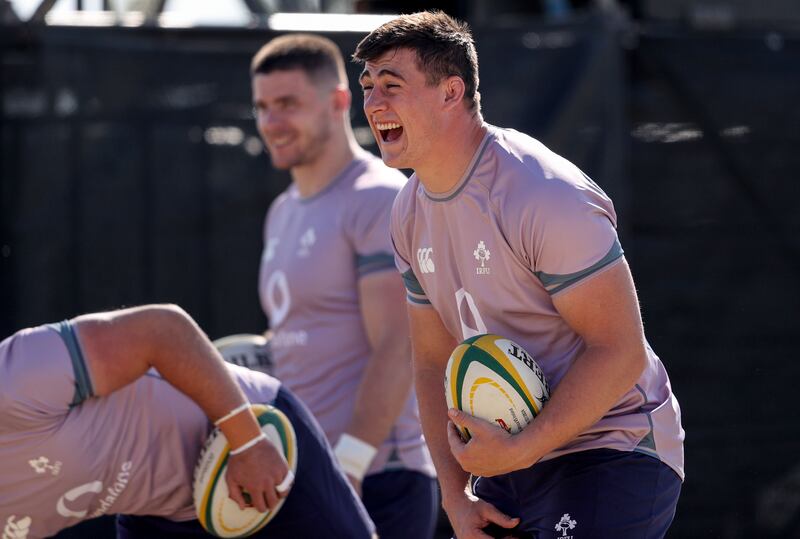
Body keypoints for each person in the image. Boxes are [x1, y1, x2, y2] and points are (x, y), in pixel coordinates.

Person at [353, 11, 685, 539]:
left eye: (391, 85)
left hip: (611, 447)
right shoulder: (407, 212)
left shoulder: (541, 193)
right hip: (506, 455)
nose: (372, 103)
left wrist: (522, 448)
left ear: (451, 92)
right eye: (367, 87)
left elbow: (620, 352)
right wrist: (456, 495)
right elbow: (432, 362)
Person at [251, 34, 438, 539]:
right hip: (308, 478)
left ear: (337, 102)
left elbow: (401, 343)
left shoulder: (377, 196)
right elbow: (304, 329)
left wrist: (349, 466)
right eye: (262, 107)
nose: (271, 122)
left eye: (287, 104)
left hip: (376, 480)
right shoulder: (281, 211)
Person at [0, 304, 374, 539]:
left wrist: (247, 442)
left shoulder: (13, 380)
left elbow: (162, 330)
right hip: (160, 514)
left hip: (257, 442)